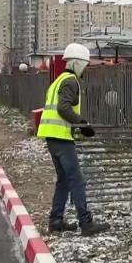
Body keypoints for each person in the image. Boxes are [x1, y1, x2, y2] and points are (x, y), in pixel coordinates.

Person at [37, 43, 110, 236]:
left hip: (52, 136)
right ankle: (86, 222)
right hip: (61, 138)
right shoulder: (70, 81)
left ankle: (56, 221)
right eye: (85, 64)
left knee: (64, 180)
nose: (86, 68)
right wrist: (83, 124)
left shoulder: (59, 80)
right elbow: (63, 108)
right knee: (77, 180)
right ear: (77, 63)